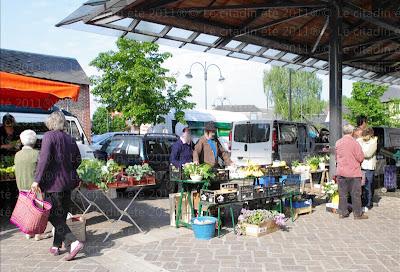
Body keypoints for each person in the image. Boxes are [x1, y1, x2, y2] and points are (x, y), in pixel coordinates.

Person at [31, 111, 83, 261]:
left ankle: (72, 242)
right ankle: (56, 245)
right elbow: (78, 160)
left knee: (52, 215)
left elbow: (44, 160)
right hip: (68, 183)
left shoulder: (49, 136)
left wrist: (37, 180)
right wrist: (67, 168)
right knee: (61, 215)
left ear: (51, 122)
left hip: (53, 184)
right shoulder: (70, 139)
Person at [335, 124, 368, 220]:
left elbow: (337, 157)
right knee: (356, 194)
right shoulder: (355, 143)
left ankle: (342, 212)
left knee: (342, 194)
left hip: (341, 172)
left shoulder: (338, 143)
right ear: (352, 132)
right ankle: (357, 214)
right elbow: (360, 157)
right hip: (353, 172)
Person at [14, 129, 42, 240]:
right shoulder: (37, 154)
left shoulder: (17, 155)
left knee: (27, 209)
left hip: (21, 186)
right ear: (34, 141)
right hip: (35, 187)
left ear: (22, 140)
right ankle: (38, 233)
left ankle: (28, 232)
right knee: (38, 210)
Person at [357, 128, 377, 211]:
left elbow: (369, 154)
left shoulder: (373, 142)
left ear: (370, 135)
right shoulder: (359, 140)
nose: (364, 137)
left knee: (368, 186)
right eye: (363, 135)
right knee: (360, 186)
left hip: (369, 167)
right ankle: (362, 202)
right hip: (360, 166)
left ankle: (368, 203)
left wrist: (359, 152)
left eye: (366, 136)